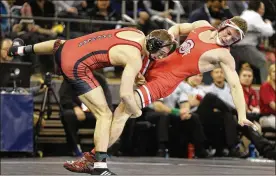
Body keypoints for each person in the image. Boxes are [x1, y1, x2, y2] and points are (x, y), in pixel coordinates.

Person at [61, 16, 256, 174]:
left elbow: (235, 86)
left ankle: (93, 159)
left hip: (164, 81)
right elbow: (178, 27)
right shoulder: (201, 25)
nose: (229, 38)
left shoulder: (224, 56)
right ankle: (78, 55)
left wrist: (242, 115)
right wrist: (170, 37)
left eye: (234, 38)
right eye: (229, 33)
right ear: (223, 26)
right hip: (156, 62)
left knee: (122, 110)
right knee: (136, 40)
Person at [8, 27, 176, 175]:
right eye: (160, 54)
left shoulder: (136, 33)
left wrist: (135, 73)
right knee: (105, 115)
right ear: (153, 46)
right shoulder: (134, 58)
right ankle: (100, 166)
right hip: (75, 66)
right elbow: (125, 95)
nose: (159, 58)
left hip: (67, 49)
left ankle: (20, 49)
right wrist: (136, 110)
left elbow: (115, 48)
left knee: (60, 43)